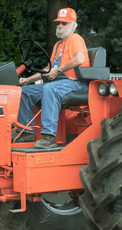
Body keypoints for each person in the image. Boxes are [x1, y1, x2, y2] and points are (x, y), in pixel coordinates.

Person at [16, 8, 90, 149]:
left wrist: (59, 70)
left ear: (73, 25)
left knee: (50, 89)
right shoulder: (58, 45)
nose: (60, 26)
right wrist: (28, 80)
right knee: (24, 92)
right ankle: (27, 133)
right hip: (60, 82)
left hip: (77, 83)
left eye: (64, 23)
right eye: (58, 23)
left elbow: (79, 59)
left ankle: (49, 137)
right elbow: (48, 70)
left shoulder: (75, 39)